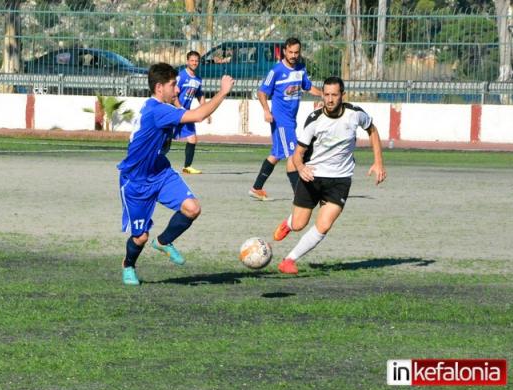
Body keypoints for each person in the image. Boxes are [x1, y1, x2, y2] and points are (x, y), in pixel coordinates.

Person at [117, 63, 234, 285]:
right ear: (160, 87)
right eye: (174, 85)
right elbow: (198, 116)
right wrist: (223, 92)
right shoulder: (157, 111)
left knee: (192, 208)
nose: (178, 90)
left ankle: (164, 241)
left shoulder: (164, 109)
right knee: (140, 237)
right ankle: (128, 265)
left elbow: (187, 121)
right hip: (137, 180)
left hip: (160, 172)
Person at [272, 76, 387, 274]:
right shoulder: (315, 120)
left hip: (340, 180)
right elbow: (297, 155)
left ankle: (289, 260)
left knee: (323, 226)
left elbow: (372, 130)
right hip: (312, 176)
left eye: (335, 95)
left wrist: (378, 162)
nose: (330, 99)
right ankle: (289, 224)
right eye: (326, 95)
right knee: (300, 224)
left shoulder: (355, 114)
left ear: (343, 95)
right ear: (322, 95)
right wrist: (301, 168)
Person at [249, 37, 323, 201]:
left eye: (296, 52)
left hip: (291, 120)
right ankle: (299, 193)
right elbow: (262, 92)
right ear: (284, 51)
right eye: (290, 52)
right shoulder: (276, 71)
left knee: (276, 154)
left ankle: (256, 188)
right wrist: (266, 111)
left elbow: (308, 86)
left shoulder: (301, 68)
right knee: (294, 154)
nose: (293, 55)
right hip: (281, 121)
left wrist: (324, 95)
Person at [174, 50, 209, 174]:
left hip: (186, 114)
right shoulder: (181, 76)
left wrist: (206, 111)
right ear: (187, 61)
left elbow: (200, 95)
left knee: (193, 138)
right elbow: (174, 94)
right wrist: (179, 108)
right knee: (164, 140)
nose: (194, 63)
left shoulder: (198, 79)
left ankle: (187, 167)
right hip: (175, 112)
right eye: (192, 60)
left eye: (196, 61)